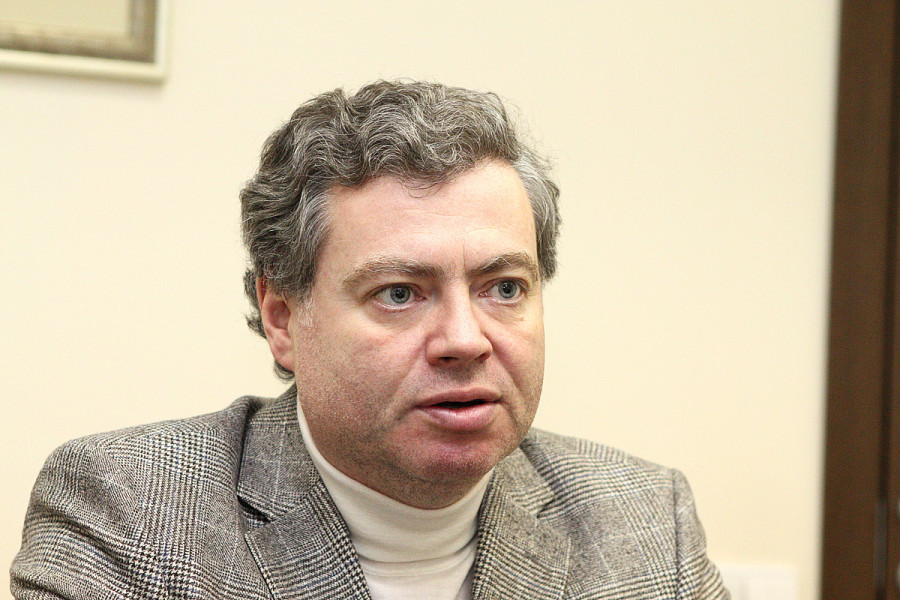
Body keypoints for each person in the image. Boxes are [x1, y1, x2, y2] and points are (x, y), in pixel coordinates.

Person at [11, 80, 730, 599]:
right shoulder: (128, 511)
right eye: (399, 293)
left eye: (504, 288)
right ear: (283, 318)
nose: (464, 340)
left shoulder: (646, 522)